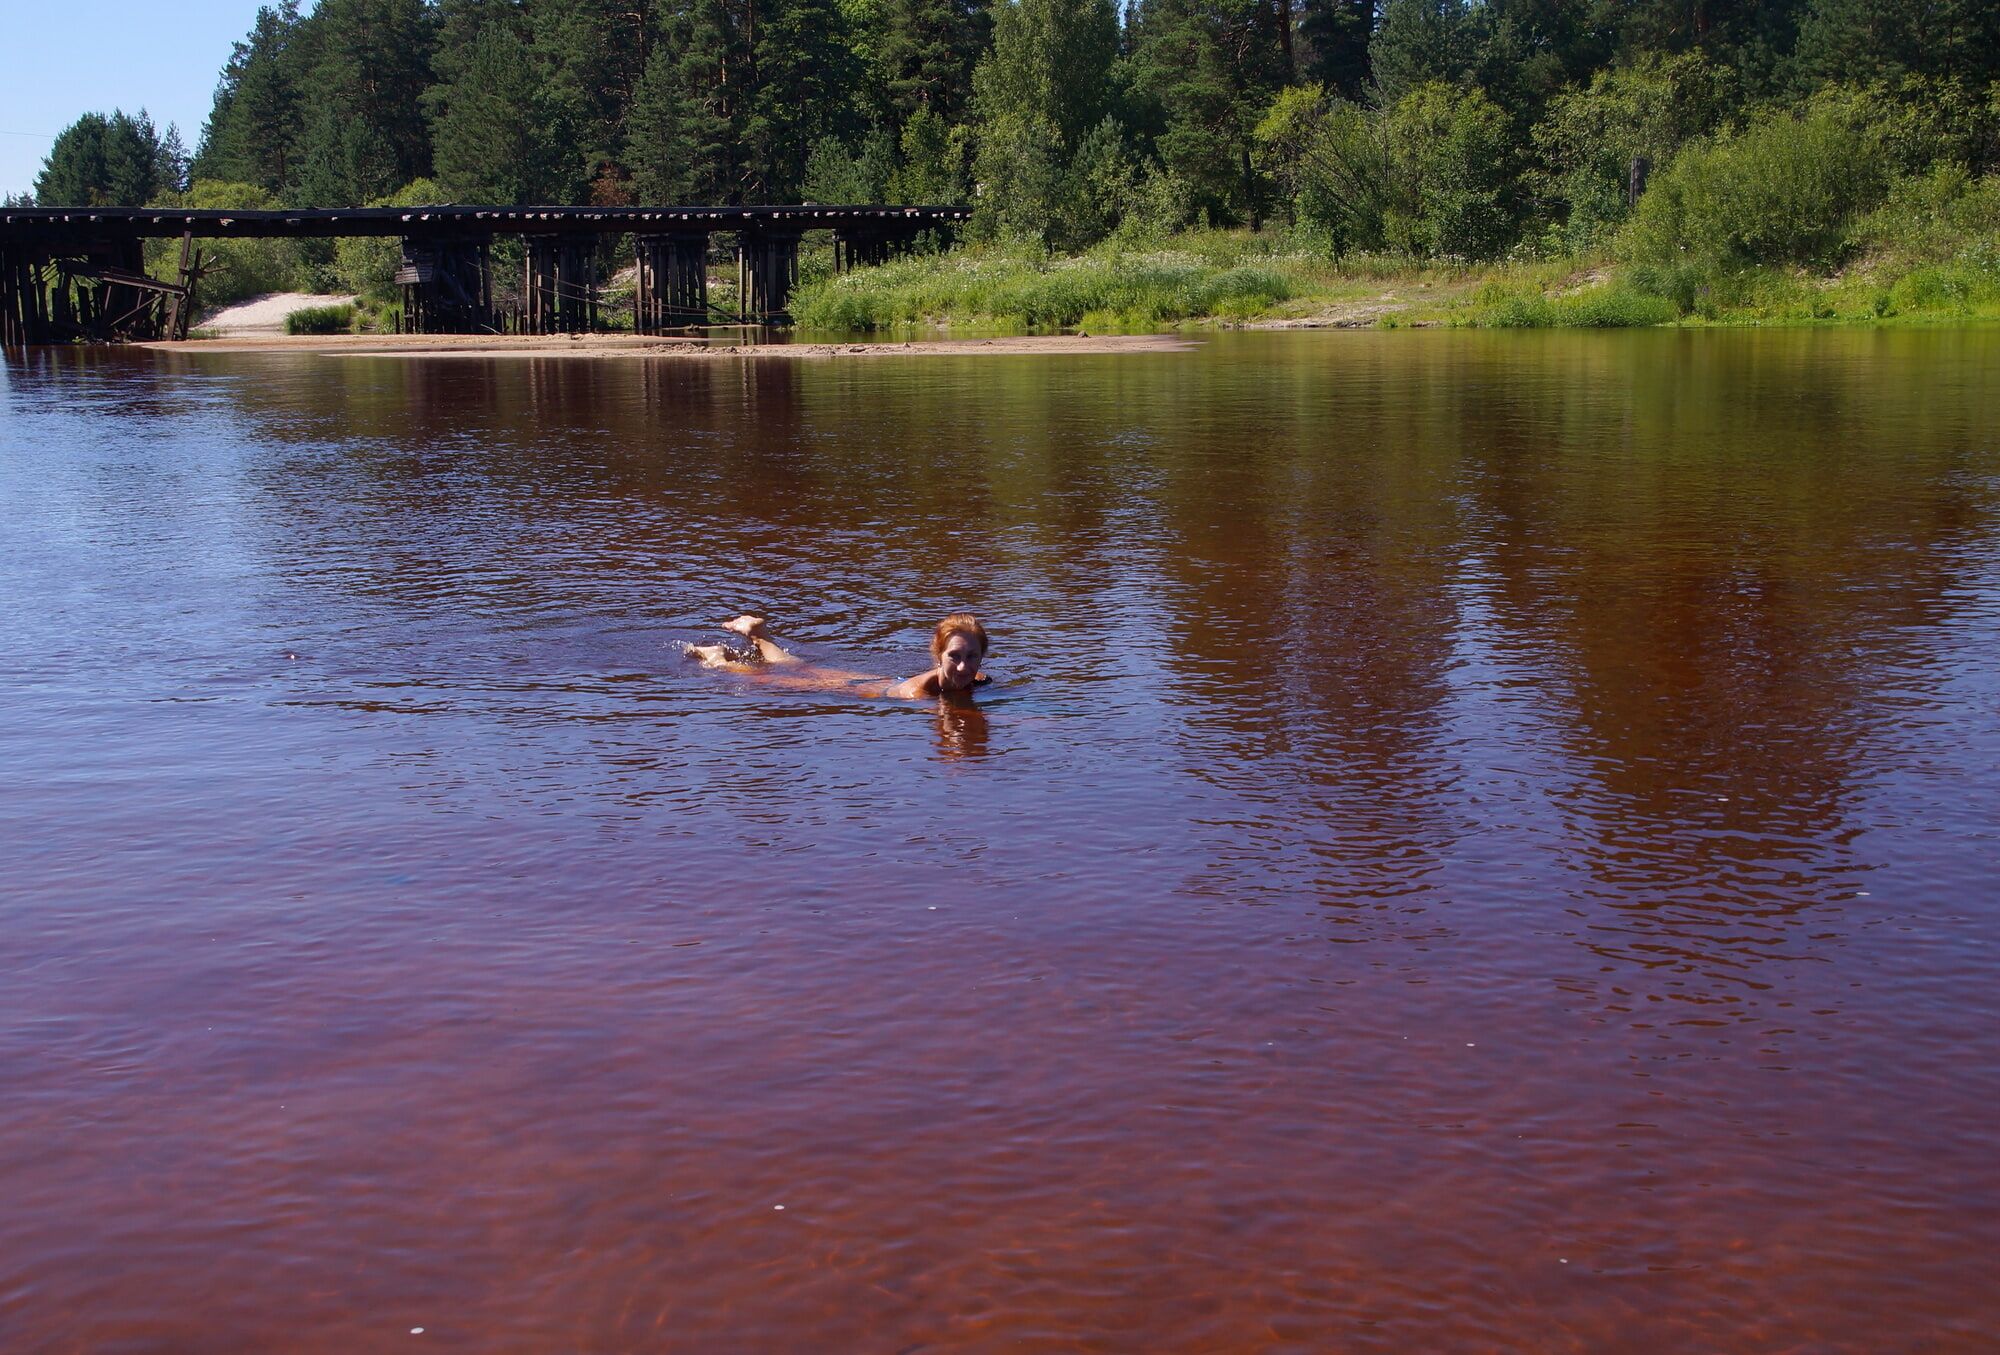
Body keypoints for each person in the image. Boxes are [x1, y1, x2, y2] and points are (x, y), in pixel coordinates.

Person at [685, 612, 990, 700]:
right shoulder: (921, 692)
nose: (964, 666)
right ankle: (717, 658)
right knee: (765, 677)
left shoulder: (970, 677)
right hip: (849, 688)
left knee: (794, 666)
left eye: (972, 657)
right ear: (938, 656)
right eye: (955, 656)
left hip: (872, 680)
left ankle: (758, 634)